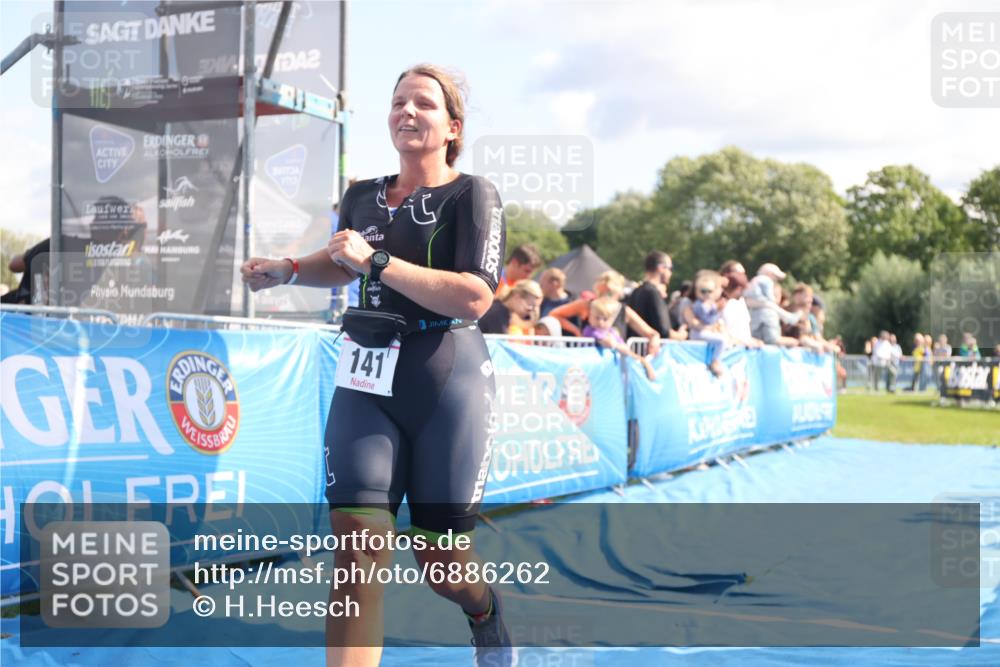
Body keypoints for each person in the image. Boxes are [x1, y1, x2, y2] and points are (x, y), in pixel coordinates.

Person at [240, 64, 514, 667]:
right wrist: (289, 269)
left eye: (424, 104)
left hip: (447, 377)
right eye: (397, 102)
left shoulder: (473, 194)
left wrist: (378, 262)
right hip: (366, 378)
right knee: (357, 553)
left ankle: (485, 611)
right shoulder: (362, 195)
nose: (407, 112)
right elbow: (343, 260)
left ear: (453, 128)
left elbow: (475, 296)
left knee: (442, 565)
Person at [548, 270, 662, 358]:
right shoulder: (587, 305)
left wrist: (654, 342)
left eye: (609, 293)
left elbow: (652, 333)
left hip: (613, 368)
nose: (605, 297)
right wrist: (576, 331)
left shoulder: (624, 311)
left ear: (617, 293)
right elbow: (554, 314)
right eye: (601, 293)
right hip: (589, 362)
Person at [583, 296, 657, 380]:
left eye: (605, 319)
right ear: (590, 316)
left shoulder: (612, 332)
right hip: (593, 374)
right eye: (597, 318)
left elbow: (626, 349)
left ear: (612, 320)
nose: (600, 322)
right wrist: (617, 345)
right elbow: (609, 343)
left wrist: (645, 363)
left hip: (609, 375)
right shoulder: (589, 331)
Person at [626, 250, 687, 340]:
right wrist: (681, 335)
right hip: (651, 346)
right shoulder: (653, 293)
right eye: (670, 268)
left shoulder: (636, 291)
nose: (671, 273)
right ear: (661, 268)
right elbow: (664, 331)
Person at [744, 262, 803, 347]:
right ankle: (789, 318)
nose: (776, 281)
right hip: (765, 311)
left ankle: (789, 318)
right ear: (770, 274)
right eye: (776, 277)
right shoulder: (766, 280)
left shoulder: (754, 280)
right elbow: (772, 340)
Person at [687, 270, 729, 377]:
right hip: (698, 333)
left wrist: (718, 309)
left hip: (705, 332)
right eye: (703, 291)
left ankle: (714, 361)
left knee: (723, 339)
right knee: (722, 340)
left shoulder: (710, 304)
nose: (706, 294)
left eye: (709, 291)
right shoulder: (699, 305)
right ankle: (715, 362)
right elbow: (707, 318)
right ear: (697, 291)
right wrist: (716, 309)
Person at [478, 279, 542, 334]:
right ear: (517, 296)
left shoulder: (502, 310)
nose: (530, 310)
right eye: (530, 304)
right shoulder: (498, 314)